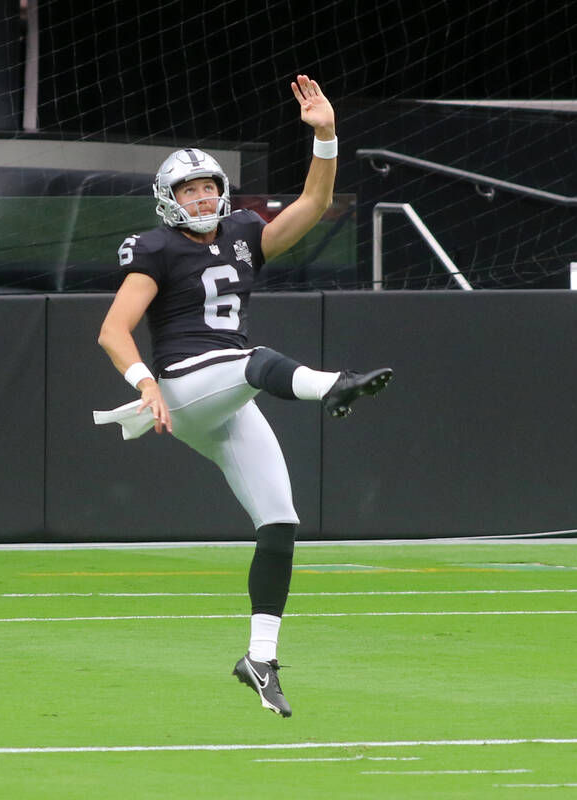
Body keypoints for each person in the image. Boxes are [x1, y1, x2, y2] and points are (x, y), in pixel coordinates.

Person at [94, 75, 392, 718]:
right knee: (256, 363)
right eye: (189, 189)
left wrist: (326, 136)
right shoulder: (155, 248)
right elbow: (113, 330)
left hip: (230, 394)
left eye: (208, 187)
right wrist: (145, 385)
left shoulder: (242, 232)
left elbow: (312, 205)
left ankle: (258, 658)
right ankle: (331, 386)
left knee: (280, 522)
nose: (201, 197)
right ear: (168, 199)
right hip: (183, 386)